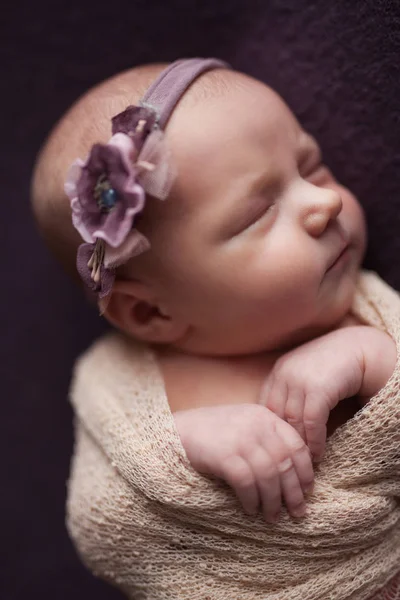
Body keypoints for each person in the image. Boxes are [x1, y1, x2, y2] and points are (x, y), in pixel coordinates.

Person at [32, 58, 396, 524]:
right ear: (150, 314)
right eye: (258, 214)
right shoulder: (121, 388)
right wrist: (180, 444)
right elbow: (101, 522)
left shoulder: (368, 319)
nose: (325, 201)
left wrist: (372, 359)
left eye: (312, 168)